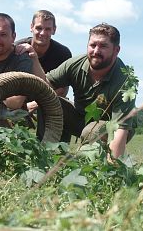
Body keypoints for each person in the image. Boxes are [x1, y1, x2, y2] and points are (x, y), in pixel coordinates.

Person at [45, 23, 136, 158]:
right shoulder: (75, 64)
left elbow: (120, 129)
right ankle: (48, 153)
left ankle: (97, 163)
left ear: (116, 50)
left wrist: (114, 168)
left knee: (91, 131)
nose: (96, 51)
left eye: (103, 46)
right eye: (93, 45)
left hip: (112, 127)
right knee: (50, 103)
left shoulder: (124, 81)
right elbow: (43, 84)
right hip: (81, 118)